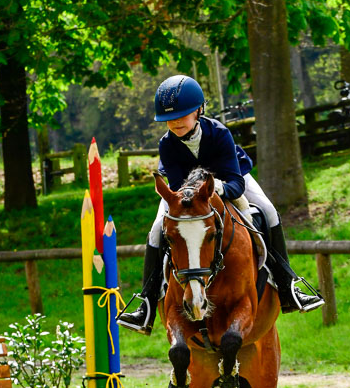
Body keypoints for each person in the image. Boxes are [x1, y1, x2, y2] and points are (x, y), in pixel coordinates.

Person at [117, 75, 324, 335]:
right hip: (188, 192)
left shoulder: (219, 134)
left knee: (268, 212)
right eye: (170, 119)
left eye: (182, 115)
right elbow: (182, 192)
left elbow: (236, 183)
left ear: (199, 111)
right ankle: (146, 301)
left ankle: (287, 284)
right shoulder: (166, 144)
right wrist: (198, 193)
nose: (176, 122)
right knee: (158, 228)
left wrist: (219, 188)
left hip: (230, 178)